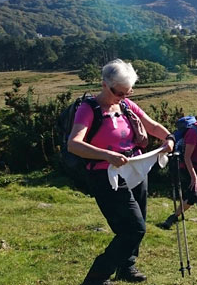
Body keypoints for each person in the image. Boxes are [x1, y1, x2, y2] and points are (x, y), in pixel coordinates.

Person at [68, 59, 175, 285]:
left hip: (135, 170)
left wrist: (169, 138)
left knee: (139, 223)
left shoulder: (126, 105)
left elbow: (152, 125)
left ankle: (127, 267)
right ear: (105, 84)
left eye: (128, 92)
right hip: (106, 175)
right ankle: (97, 277)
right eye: (120, 92)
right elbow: (74, 144)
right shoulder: (88, 109)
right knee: (133, 228)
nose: (124, 97)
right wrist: (107, 155)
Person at [160, 108, 197, 228]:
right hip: (192, 167)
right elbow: (187, 157)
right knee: (193, 196)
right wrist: (194, 177)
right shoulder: (193, 133)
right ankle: (173, 218)